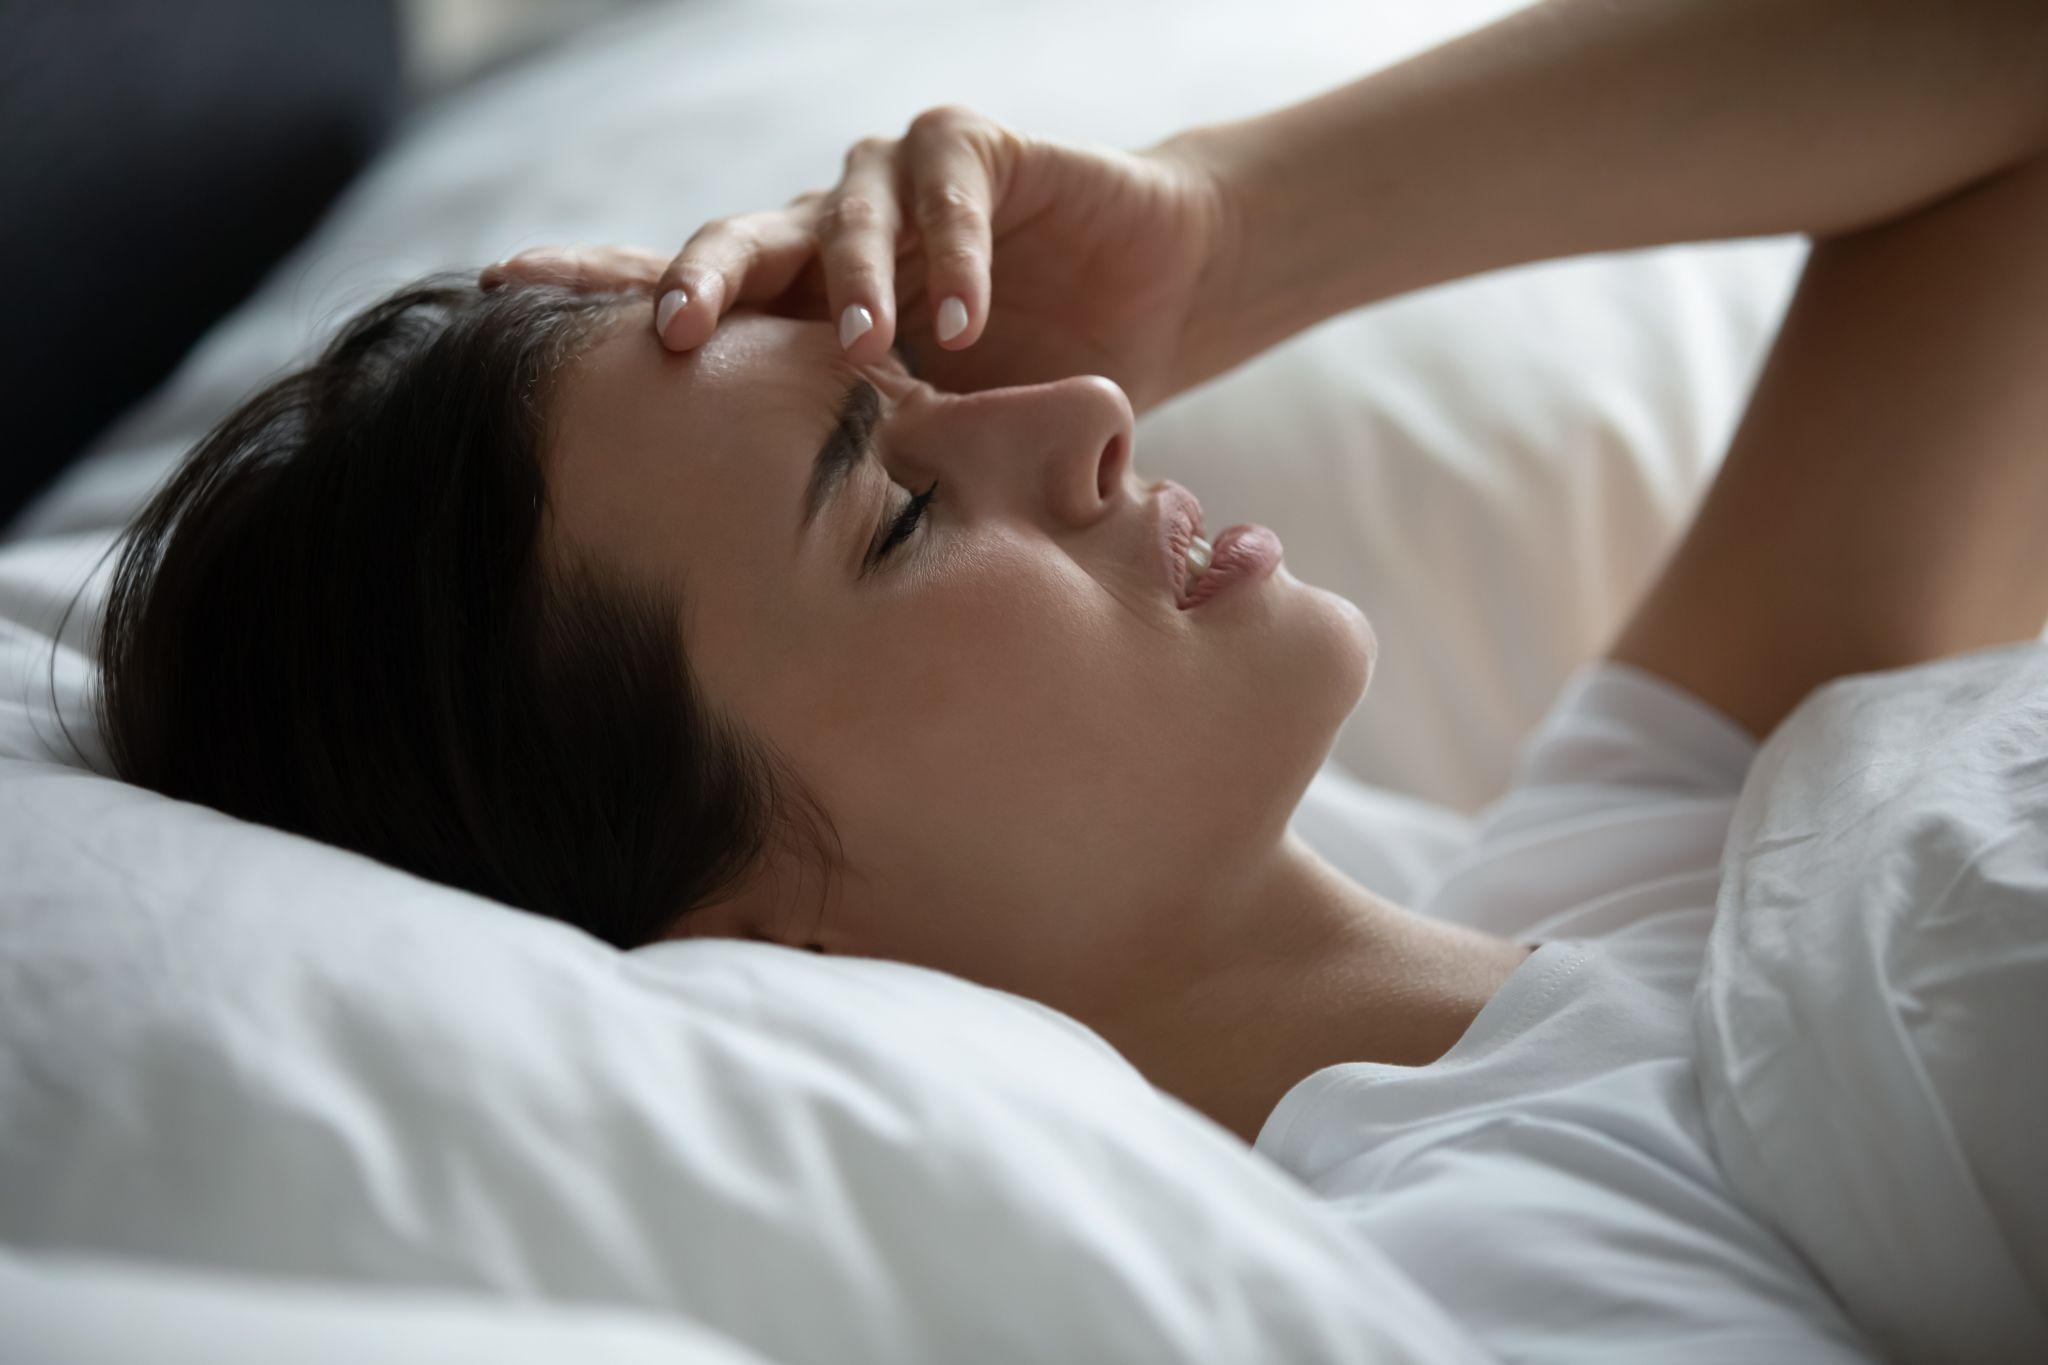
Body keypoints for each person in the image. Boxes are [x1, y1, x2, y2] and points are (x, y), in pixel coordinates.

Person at [93, 0, 2047, 1356]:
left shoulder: (1629, 859)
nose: (1097, 410)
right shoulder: (1515, 1263)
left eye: (937, 391)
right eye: (899, 510)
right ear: (773, 936)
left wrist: (1227, 233)